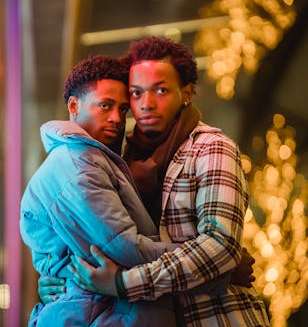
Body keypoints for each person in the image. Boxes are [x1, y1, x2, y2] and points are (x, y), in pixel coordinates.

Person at [67, 36, 270, 326]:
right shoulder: (125, 160)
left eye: (160, 90)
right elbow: (101, 242)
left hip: (215, 316)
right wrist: (58, 279)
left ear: (186, 92)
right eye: (136, 94)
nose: (147, 104)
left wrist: (125, 283)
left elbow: (220, 246)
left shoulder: (210, 148)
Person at [20, 55, 235, 327]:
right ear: (74, 105)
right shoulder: (77, 164)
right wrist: (217, 268)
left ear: (187, 93)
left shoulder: (107, 159)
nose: (116, 119)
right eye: (105, 106)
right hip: (98, 315)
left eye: (123, 109)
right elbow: (123, 248)